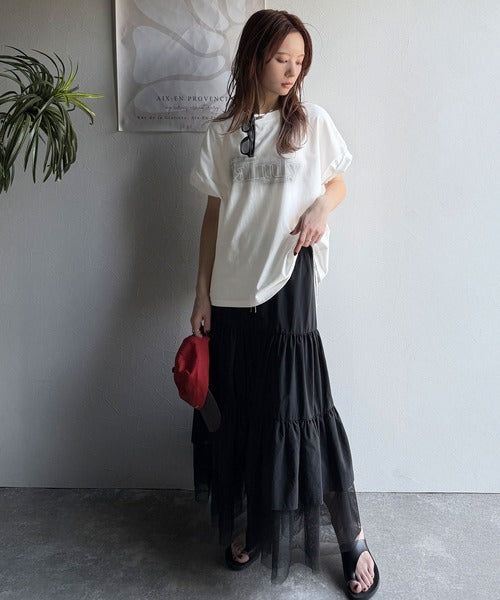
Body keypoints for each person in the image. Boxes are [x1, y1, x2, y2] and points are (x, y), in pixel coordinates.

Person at [189, 9, 380, 599]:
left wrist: (321, 207)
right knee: (246, 412)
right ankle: (257, 524)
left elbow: (339, 181)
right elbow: (215, 214)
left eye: (299, 61)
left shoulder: (311, 123)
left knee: (304, 410)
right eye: (281, 59)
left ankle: (351, 537)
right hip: (232, 291)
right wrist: (201, 292)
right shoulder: (222, 131)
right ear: (254, 58)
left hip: (288, 280)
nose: (292, 70)